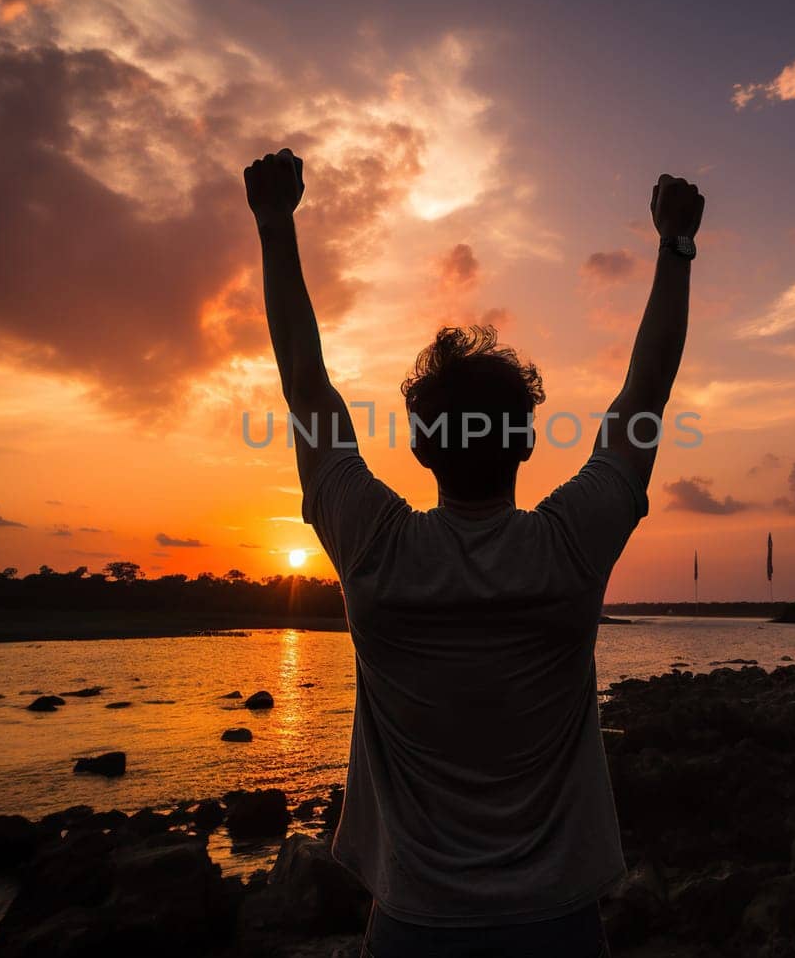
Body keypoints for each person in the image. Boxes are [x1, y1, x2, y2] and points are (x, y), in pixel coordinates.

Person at [245, 147, 701, 958]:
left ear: (421, 449)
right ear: (526, 442)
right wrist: (674, 246)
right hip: (558, 923)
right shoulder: (568, 547)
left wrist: (276, 227)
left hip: (416, 924)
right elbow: (647, 390)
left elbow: (305, 385)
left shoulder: (377, 551)